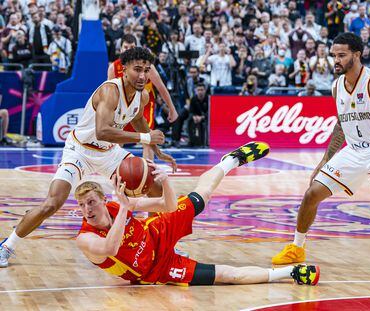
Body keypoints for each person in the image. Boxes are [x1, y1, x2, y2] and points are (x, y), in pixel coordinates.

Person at [0, 47, 176, 268]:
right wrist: (145, 136)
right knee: (52, 203)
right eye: (137, 69)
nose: (142, 76)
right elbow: (102, 130)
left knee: (153, 185)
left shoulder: (142, 96)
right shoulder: (110, 91)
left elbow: (138, 117)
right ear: (124, 70)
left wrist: (156, 149)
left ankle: (160, 243)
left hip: (109, 152)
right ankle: (7, 246)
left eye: (146, 70)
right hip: (80, 151)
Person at [75, 142, 320, 286]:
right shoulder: (85, 238)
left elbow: (168, 206)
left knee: (201, 197)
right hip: (157, 269)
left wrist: (166, 181)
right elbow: (110, 247)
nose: (88, 210)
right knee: (227, 275)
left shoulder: (118, 205)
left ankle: (231, 161)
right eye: (83, 205)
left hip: (156, 232)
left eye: (91, 202)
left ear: (103, 200)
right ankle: (292, 273)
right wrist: (127, 206)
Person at [272, 32, 370, 279]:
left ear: (357, 55)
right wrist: (325, 161)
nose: (335, 60)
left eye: (341, 55)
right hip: (356, 149)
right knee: (312, 193)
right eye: (333, 55)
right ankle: (297, 247)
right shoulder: (337, 85)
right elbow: (341, 124)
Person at [107, 34, 178, 160]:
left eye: (132, 47)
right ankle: (115, 171)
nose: (129, 50)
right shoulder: (113, 67)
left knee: (147, 139)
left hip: (144, 104)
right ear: (121, 49)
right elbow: (110, 93)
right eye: (126, 47)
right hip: (124, 106)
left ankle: (148, 172)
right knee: (118, 139)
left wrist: (172, 109)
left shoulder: (147, 66)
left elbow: (161, 87)